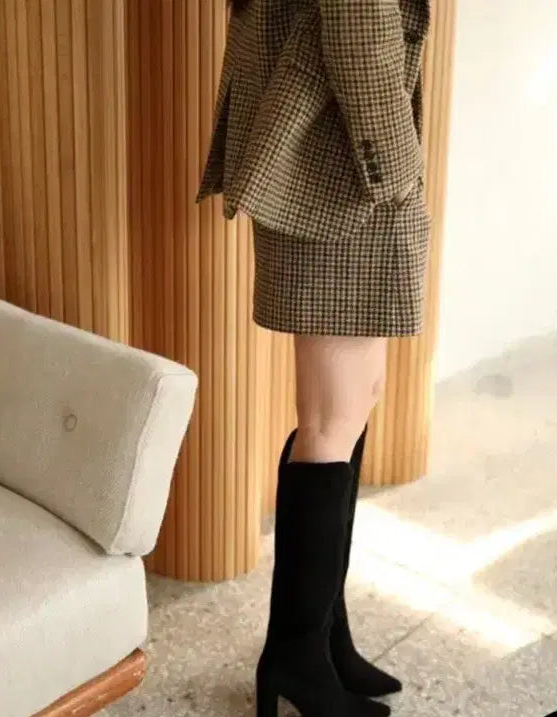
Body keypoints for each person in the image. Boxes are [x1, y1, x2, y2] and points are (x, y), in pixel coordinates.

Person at [196, 0, 432, 714]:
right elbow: (357, 24)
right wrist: (398, 165)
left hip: (335, 153)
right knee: (331, 420)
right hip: (332, 165)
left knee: (353, 404)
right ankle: (297, 656)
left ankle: (323, 634)